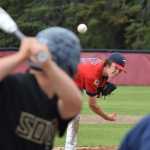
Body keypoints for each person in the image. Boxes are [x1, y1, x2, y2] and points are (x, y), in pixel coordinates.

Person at [0, 27, 82, 150]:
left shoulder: (58, 99)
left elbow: (75, 104)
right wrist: (21, 55)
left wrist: (48, 65)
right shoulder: (13, 85)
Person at [65, 52, 127, 150]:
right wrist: (106, 117)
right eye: (116, 67)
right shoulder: (92, 76)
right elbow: (92, 105)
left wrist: (99, 86)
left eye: (120, 70)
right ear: (108, 63)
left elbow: (88, 79)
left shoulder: (102, 69)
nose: (117, 71)